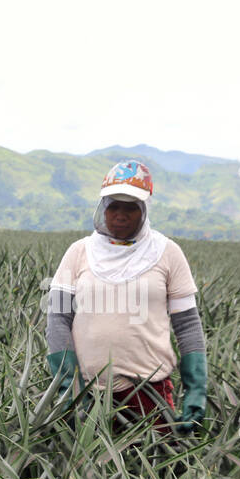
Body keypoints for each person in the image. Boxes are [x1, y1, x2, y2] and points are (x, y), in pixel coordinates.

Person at [46, 160, 208, 434]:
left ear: (144, 210)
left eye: (130, 207)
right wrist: (68, 387)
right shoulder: (79, 252)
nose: (120, 215)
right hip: (85, 392)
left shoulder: (167, 253)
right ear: (103, 207)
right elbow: (58, 319)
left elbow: (188, 325)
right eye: (113, 206)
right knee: (88, 471)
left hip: (149, 392)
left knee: (157, 468)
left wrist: (196, 390)